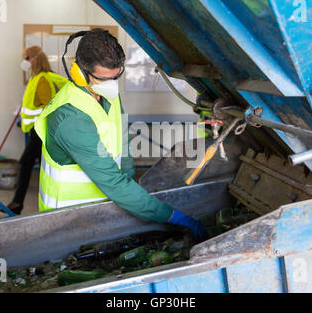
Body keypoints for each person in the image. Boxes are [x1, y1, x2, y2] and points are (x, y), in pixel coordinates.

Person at [34, 29, 207, 242]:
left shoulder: (109, 95)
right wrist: (171, 215)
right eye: (103, 78)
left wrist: (130, 191)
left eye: (116, 76)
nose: (112, 84)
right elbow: (112, 181)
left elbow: (124, 144)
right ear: (79, 72)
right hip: (66, 222)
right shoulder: (70, 118)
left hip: (101, 211)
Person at [5, 46, 68, 215]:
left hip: (41, 131)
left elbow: (49, 106)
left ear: (33, 60)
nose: (24, 62)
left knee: (26, 163)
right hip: (38, 130)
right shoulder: (36, 78)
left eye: (26, 58)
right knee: (43, 168)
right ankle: (24, 203)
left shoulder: (41, 79)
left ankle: (18, 203)